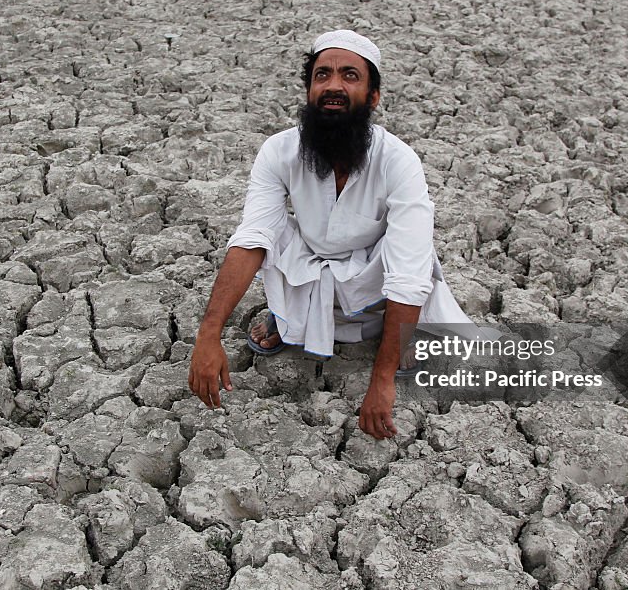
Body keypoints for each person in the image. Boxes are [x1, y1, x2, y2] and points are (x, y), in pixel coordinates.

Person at [188, 30, 495, 440]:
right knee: (267, 229)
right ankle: (288, 317)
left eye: (350, 75)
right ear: (310, 89)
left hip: (373, 274)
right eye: (322, 75)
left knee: (411, 254)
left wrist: (381, 379)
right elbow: (252, 239)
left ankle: (398, 335)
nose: (333, 85)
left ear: (372, 96)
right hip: (311, 262)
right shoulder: (279, 152)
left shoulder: (398, 161)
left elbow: (406, 272)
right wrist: (208, 336)